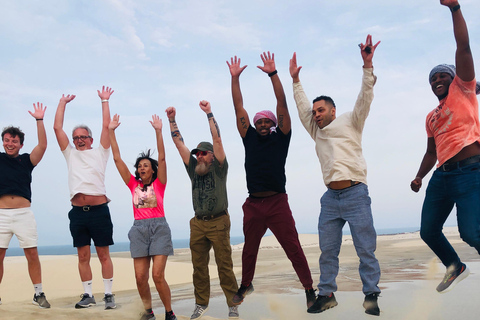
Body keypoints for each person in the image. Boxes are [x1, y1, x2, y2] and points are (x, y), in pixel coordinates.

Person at [290, 35, 381, 316]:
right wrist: (295, 81)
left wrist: (368, 66)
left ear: (333, 111)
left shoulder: (352, 120)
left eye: (321, 110)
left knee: (365, 248)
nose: (316, 115)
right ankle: (326, 294)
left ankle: (371, 294)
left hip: (355, 192)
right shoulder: (316, 131)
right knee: (327, 250)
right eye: (314, 112)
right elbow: (302, 107)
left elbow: (365, 97)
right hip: (331, 197)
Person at [227, 52, 315, 310]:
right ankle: (246, 284)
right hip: (253, 204)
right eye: (260, 121)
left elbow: (282, 103)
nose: (264, 124)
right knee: (249, 249)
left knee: (293, 248)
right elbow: (237, 106)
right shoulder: (249, 136)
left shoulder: (282, 136)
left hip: (277, 202)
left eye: (267, 121)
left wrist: (273, 74)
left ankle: (309, 289)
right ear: (254, 125)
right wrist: (235, 79)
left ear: (274, 124)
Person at [410, 0, 480, 294]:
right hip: (441, 176)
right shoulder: (431, 116)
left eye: (442, 75)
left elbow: (463, 48)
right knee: (428, 230)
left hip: (470, 172)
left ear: (455, 78)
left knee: (471, 232)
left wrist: (455, 9)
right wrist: (419, 176)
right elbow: (431, 152)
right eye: (433, 78)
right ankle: (455, 266)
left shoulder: (463, 90)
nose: (437, 80)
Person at [166, 100, 239, 320]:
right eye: (198, 153)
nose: (199, 156)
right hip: (198, 223)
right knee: (199, 267)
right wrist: (171, 120)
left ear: (213, 156)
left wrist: (209, 113)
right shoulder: (193, 170)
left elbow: (217, 139)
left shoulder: (219, 168)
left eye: (204, 153)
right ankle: (200, 303)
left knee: (224, 266)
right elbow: (179, 144)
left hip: (218, 221)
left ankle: (233, 304)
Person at [53, 87, 116, 309]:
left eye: (83, 137)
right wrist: (62, 102)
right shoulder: (70, 154)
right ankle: (88, 294)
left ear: (90, 139)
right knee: (82, 256)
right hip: (78, 213)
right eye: (76, 138)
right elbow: (57, 128)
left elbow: (106, 127)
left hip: (99, 211)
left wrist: (105, 100)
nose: (79, 140)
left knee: (103, 254)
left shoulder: (101, 152)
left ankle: (108, 295)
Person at [109, 114, 177, 320]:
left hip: (159, 228)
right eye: (139, 166)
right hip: (138, 229)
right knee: (140, 278)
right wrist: (111, 131)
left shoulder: (160, 183)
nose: (142, 168)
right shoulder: (133, 185)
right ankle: (149, 313)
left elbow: (163, 158)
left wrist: (158, 131)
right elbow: (117, 159)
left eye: (146, 165)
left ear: (153, 170)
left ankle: (169, 312)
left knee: (157, 275)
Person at [0, 103, 50, 308]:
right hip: (1, 215)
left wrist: (39, 120)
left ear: (21, 144)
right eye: (6, 140)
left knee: (32, 253)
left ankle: (38, 293)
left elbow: (43, 146)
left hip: (23, 214)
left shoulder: (27, 160)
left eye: (14, 141)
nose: (10, 143)